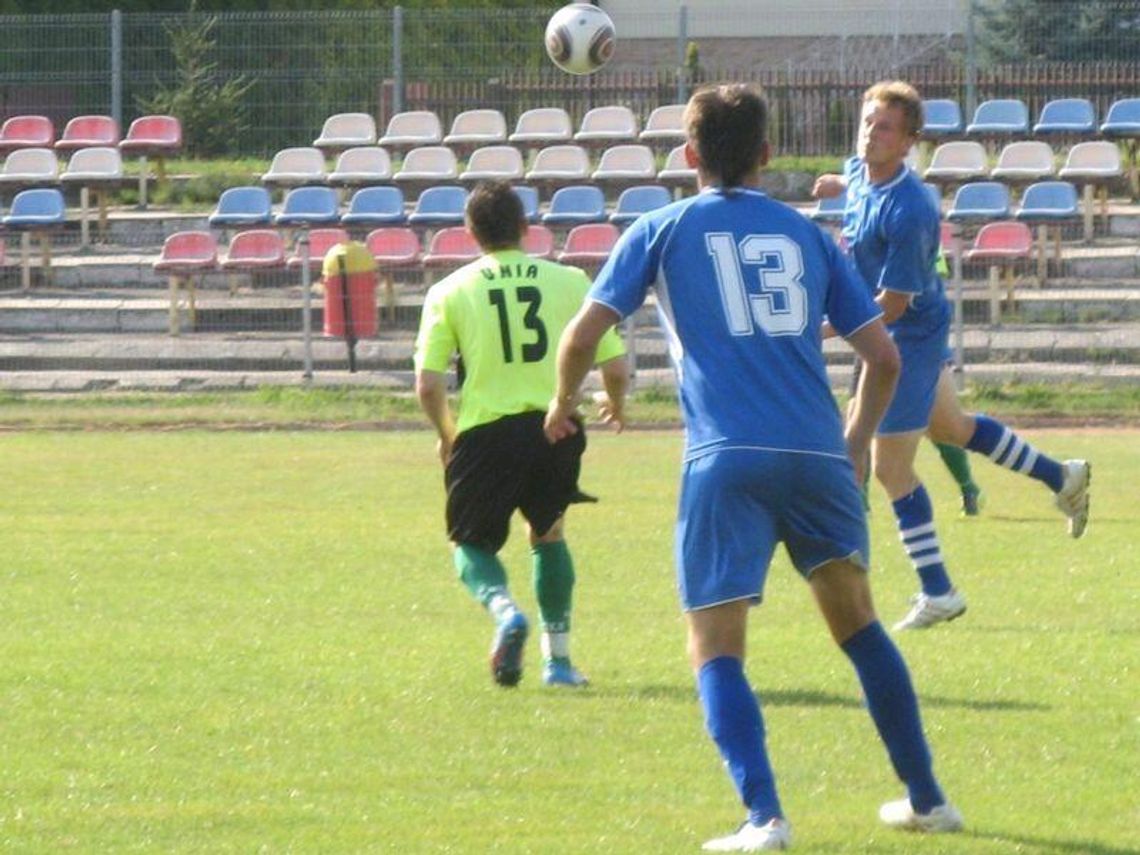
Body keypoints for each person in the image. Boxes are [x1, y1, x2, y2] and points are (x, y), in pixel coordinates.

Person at [546, 84, 962, 851]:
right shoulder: (808, 237)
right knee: (862, 627)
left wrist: (562, 400)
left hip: (726, 455)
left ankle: (764, 816)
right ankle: (929, 797)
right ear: (769, 156)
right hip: (815, 455)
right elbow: (882, 356)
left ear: (689, 155)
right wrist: (856, 441)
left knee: (715, 646)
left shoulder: (662, 229)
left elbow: (581, 335)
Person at [812, 81, 1090, 631]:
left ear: (911, 140)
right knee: (953, 428)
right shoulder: (861, 171)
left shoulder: (913, 207)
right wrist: (836, 183)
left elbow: (891, 306)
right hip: (892, 331)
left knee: (891, 467)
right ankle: (1064, 477)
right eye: (867, 122)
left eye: (885, 126)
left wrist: (818, 331)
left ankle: (938, 591)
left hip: (906, 338)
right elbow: (856, 186)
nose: (871, 133)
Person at [414, 180, 629, 689]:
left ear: (470, 233)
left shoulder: (450, 291)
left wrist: (448, 434)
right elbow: (615, 367)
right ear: (527, 229)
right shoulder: (571, 280)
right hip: (557, 427)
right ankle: (558, 664)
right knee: (548, 534)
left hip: (486, 432)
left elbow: (427, 384)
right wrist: (613, 404)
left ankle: (506, 611)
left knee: (469, 543)